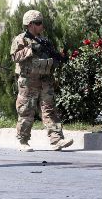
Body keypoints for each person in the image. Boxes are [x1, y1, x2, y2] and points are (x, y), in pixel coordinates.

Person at [10, 10, 73, 152]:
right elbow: (14, 57)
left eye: (41, 23)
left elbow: (51, 58)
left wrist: (58, 59)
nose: (41, 26)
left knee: (49, 110)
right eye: (38, 23)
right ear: (30, 25)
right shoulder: (21, 39)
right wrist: (30, 49)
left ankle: (57, 139)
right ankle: (23, 141)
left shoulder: (44, 41)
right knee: (26, 111)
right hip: (28, 81)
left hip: (45, 80)